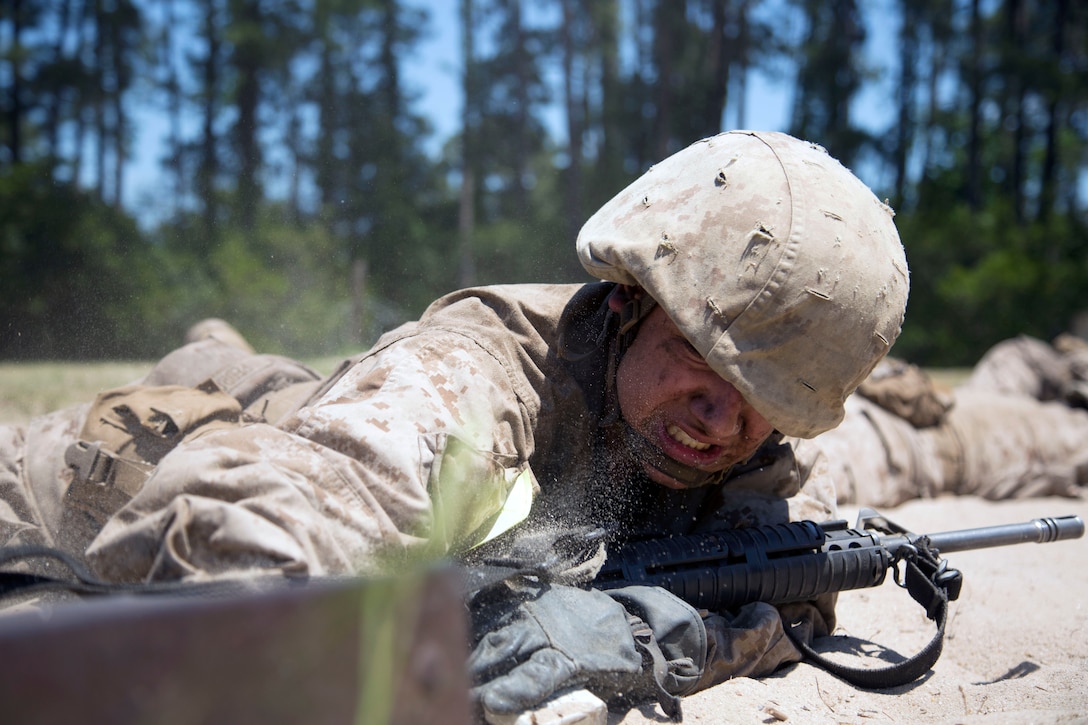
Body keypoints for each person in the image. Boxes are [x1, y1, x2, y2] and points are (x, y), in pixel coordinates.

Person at [0, 131, 909, 717]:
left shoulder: (739, 438)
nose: (720, 421)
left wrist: (647, 636)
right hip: (58, 484)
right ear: (630, 300)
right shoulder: (481, 377)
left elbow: (790, 585)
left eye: (767, 406)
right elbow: (262, 519)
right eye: (701, 363)